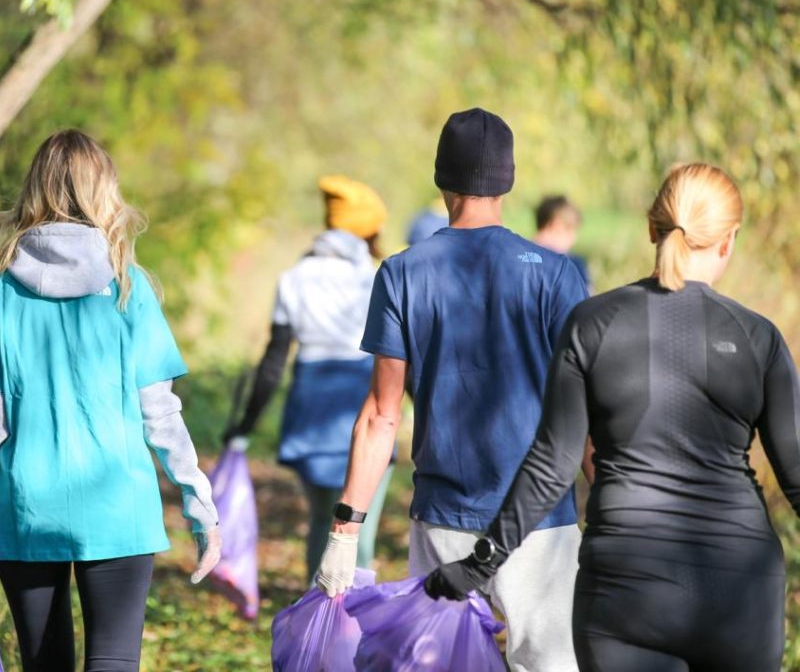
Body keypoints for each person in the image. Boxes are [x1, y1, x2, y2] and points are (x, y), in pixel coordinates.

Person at [424, 163, 798, 672]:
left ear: (651, 227)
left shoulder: (593, 324)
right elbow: (796, 475)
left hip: (624, 583)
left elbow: (552, 463)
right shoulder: (758, 338)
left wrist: (480, 562)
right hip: (740, 588)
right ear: (729, 240)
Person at [0, 130, 221, 672]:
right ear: (104, 192)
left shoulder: (4, 294)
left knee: (44, 664)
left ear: (37, 191)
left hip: (28, 511)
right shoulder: (129, 286)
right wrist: (200, 507)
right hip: (119, 508)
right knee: (114, 662)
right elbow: (161, 415)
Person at [314, 108, 590, 672]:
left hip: (443, 522)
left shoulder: (402, 273)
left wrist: (345, 530)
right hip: (542, 523)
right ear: (507, 181)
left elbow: (380, 416)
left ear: (442, 178)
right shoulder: (555, 274)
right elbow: (585, 408)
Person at [224, 175, 393, 582]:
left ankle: (316, 613)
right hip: (363, 407)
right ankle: (353, 625)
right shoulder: (378, 277)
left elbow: (274, 360)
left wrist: (243, 427)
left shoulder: (294, 277)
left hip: (311, 410)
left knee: (322, 518)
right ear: (368, 230)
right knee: (359, 527)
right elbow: (400, 362)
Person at [534, 194, 591, 290]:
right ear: (557, 225)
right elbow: (587, 299)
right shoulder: (572, 264)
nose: (574, 238)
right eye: (571, 231)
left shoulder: (516, 255)